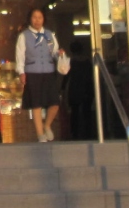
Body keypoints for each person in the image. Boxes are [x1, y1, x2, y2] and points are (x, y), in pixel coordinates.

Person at [15, 8, 61, 142]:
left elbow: (55, 52)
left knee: (55, 102)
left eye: (40, 17)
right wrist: (21, 72)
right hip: (32, 72)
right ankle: (40, 134)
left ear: (43, 19)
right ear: (30, 19)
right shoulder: (24, 36)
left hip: (49, 72)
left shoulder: (49, 34)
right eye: (34, 17)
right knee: (36, 104)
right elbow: (20, 56)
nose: (37, 20)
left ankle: (47, 125)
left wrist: (60, 54)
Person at [65, 36, 96, 140]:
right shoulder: (88, 62)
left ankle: (75, 134)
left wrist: (62, 88)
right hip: (87, 88)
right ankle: (88, 133)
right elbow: (91, 75)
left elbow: (66, 76)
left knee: (75, 113)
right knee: (87, 112)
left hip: (75, 89)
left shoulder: (71, 62)